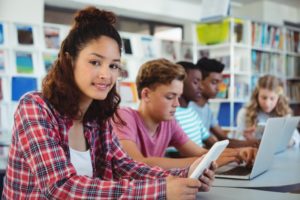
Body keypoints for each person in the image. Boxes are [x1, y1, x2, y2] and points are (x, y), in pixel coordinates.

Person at [2, 7, 216, 199]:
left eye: (114, 66)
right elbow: (61, 187)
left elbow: (126, 166)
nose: (106, 74)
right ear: (69, 60)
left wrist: (183, 177)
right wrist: (162, 190)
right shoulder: (35, 106)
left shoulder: (98, 117)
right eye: (95, 62)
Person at [113, 59, 255, 170]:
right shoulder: (124, 117)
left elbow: (200, 152)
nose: (177, 104)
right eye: (170, 97)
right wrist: (206, 161)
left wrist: (239, 153)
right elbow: (137, 163)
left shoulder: (169, 123)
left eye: (178, 96)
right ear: (146, 94)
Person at [189, 57, 259, 148]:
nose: (218, 88)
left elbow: (223, 139)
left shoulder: (207, 109)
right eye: (214, 82)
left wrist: (253, 143)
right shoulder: (189, 108)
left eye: (219, 83)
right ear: (200, 81)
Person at [237, 75, 299, 145]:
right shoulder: (244, 113)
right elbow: (238, 141)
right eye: (264, 98)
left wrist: (286, 141)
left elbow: (296, 138)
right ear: (256, 95)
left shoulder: (284, 114)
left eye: (272, 98)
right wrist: (248, 139)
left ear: (279, 98)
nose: (267, 103)